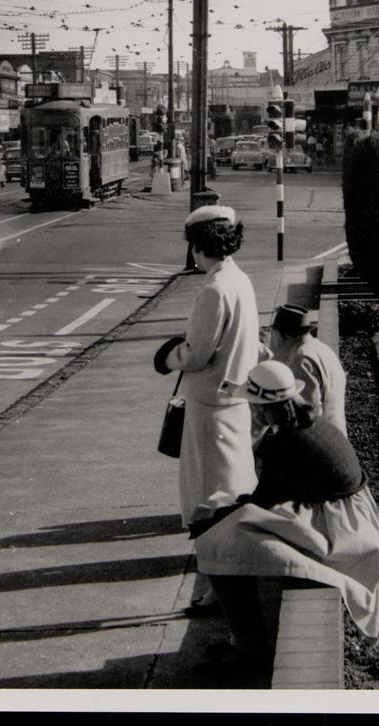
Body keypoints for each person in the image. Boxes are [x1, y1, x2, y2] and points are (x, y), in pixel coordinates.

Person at [192, 360, 379, 676]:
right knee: (229, 528)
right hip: (350, 518)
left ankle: (249, 649)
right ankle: (245, 641)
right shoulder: (311, 422)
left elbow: (262, 501)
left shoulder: (283, 442)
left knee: (218, 542)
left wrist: (212, 519)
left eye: (254, 406)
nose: (252, 412)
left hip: (338, 533)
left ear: (264, 407)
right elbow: (271, 496)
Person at [153, 205, 263, 612]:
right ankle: (223, 584)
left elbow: (197, 354)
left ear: (202, 246)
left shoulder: (214, 290)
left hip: (209, 406)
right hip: (236, 402)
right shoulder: (241, 279)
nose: (193, 257)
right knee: (230, 494)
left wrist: (167, 357)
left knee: (206, 503)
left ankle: (220, 588)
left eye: (194, 248)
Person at [263, 303, 347, 437]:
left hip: (320, 443)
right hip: (337, 436)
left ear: (279, 335)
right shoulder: (322, 348)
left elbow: (307, 417)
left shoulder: (302, 358)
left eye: (273, 335)